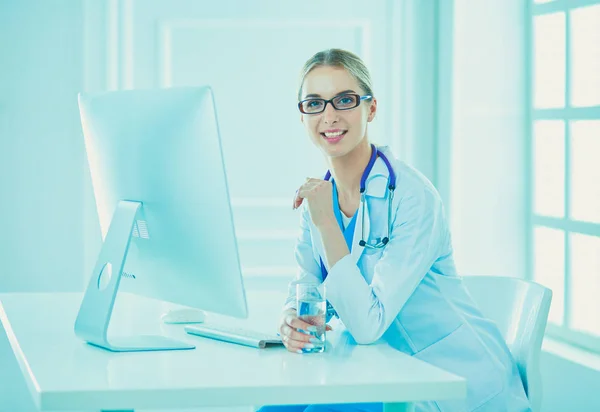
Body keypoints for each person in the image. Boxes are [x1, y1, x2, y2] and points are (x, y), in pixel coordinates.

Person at [260, 49, 531, 412]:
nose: (329, 115)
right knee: (273, 407)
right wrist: (290, 320)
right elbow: (304, 289)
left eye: (344, 100)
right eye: (314, 103)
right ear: (302, 115)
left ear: (370, 109)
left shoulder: (412, 197)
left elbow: (367, 327)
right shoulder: (318, 199)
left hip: (453, 382)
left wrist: (325, 221)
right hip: (381, 371)